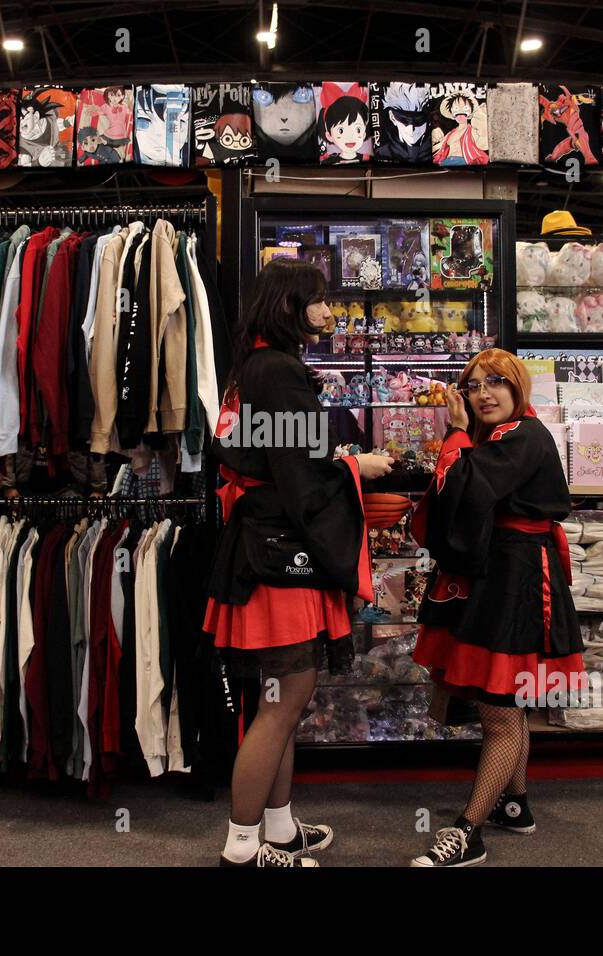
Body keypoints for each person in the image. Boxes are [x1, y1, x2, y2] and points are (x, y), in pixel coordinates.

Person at [205, 259, 393, 867]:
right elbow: (301, 480)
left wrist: (330, 464)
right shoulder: (281, 372)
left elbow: (274, 462)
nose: (328, 312)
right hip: (280, 559)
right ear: (290, 306)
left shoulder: (252, 368)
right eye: (318, 301)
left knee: (279, 700)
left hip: (263, 554)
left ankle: (279, 829)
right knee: (284, 700)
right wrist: (353, 468)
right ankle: (242, 844)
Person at [408, 348, 584, 867]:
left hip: (519, 579)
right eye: (474, 384)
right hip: (508, 574)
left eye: (496, 383)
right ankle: (515, 802)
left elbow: (463, 488)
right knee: (509, 703)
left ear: (517, 389)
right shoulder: (508, 436)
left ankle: (469, 831)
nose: (484, 393)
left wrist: (457, 435)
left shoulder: (521, 435)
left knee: (500, 711)